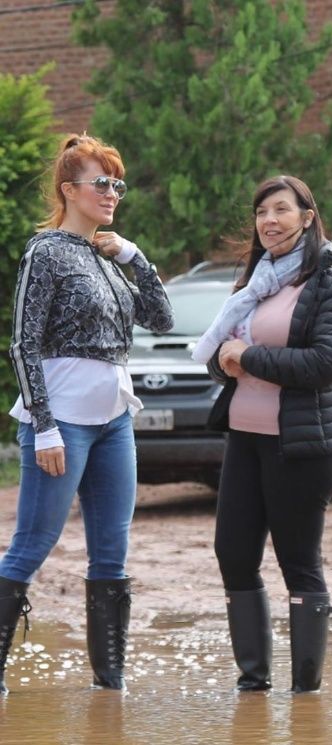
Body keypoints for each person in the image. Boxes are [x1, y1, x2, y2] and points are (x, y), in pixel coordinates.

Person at [0, 134, 174, 694]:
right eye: (101, 183)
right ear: (68, 190)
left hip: (114, 422)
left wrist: (134, 257)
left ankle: (109, 685)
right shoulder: (45, 251)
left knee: (112, 551)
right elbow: (23, 345)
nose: (112, 193)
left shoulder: (107, 258)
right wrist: (44, 425)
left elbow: (162, 318)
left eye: (117, 184)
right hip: (62, 422)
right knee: (33, 544)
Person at [195, 175, 332, 693]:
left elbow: (328, 362)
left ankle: (305, 693)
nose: (270, 220)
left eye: (281, 210)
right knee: (233, 554)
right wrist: (227, 362)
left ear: (307, 218)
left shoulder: (331, 284)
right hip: (244, 437)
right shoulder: (253, 283)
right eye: (262, 212)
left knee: (298, 561)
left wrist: (249, 357)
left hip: (302, 443)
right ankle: (253, 684)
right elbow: (223, 353)